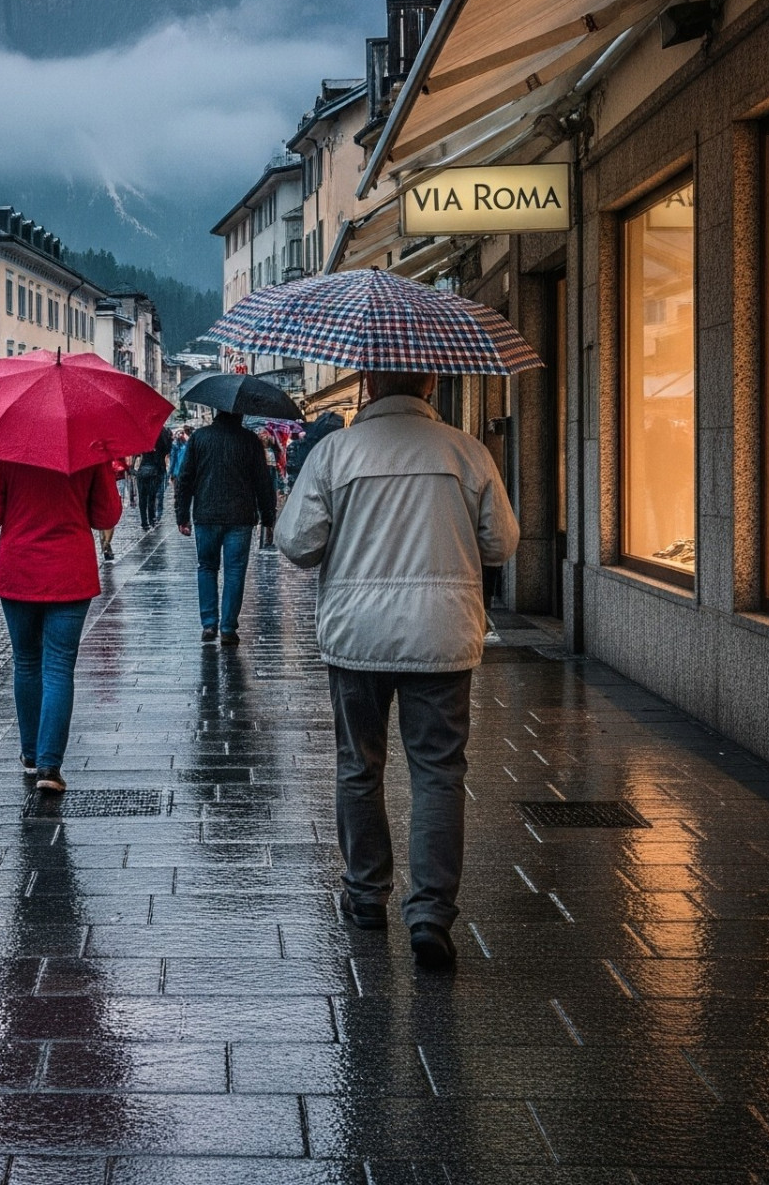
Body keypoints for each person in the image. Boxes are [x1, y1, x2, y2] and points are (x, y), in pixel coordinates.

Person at [274, 371, 517, 972]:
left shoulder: (335, 452)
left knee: (360, 766)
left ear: (371, 386)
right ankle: (431, 913)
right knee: (438, 772)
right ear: (431, 383)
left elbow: (297, 543)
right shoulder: (468, 451)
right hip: (442, 633)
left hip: (357, 636)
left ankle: (364, 896)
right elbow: (502, 544)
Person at [0, 452, 121, 793]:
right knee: (58, 667)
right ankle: (49, 765)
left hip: (19, 569)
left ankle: (30, 751)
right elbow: (107, 514)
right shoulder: (89, 452)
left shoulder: (6, 452)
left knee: (26, 661)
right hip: (70, 572)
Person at [175, 408, 277, 645]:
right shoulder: (249, 440)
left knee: (207, 567)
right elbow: (263, 482)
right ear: (239, 413)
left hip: (206, 515)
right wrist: (268, 517)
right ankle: (228, 627)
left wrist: (182, 515)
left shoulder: (199, 438)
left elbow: (185, 477)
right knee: (234, 572)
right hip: (240, 517)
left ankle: (209, 624)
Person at [131, 427, 170, 531]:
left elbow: (135, 452)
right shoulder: (161, 434)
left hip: (142, 471)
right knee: (151, 497)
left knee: (142, 498)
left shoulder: (142, 434)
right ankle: (151, 519)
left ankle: (144, 522)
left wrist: (133, 468)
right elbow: (167, 449)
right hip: (154, 470)